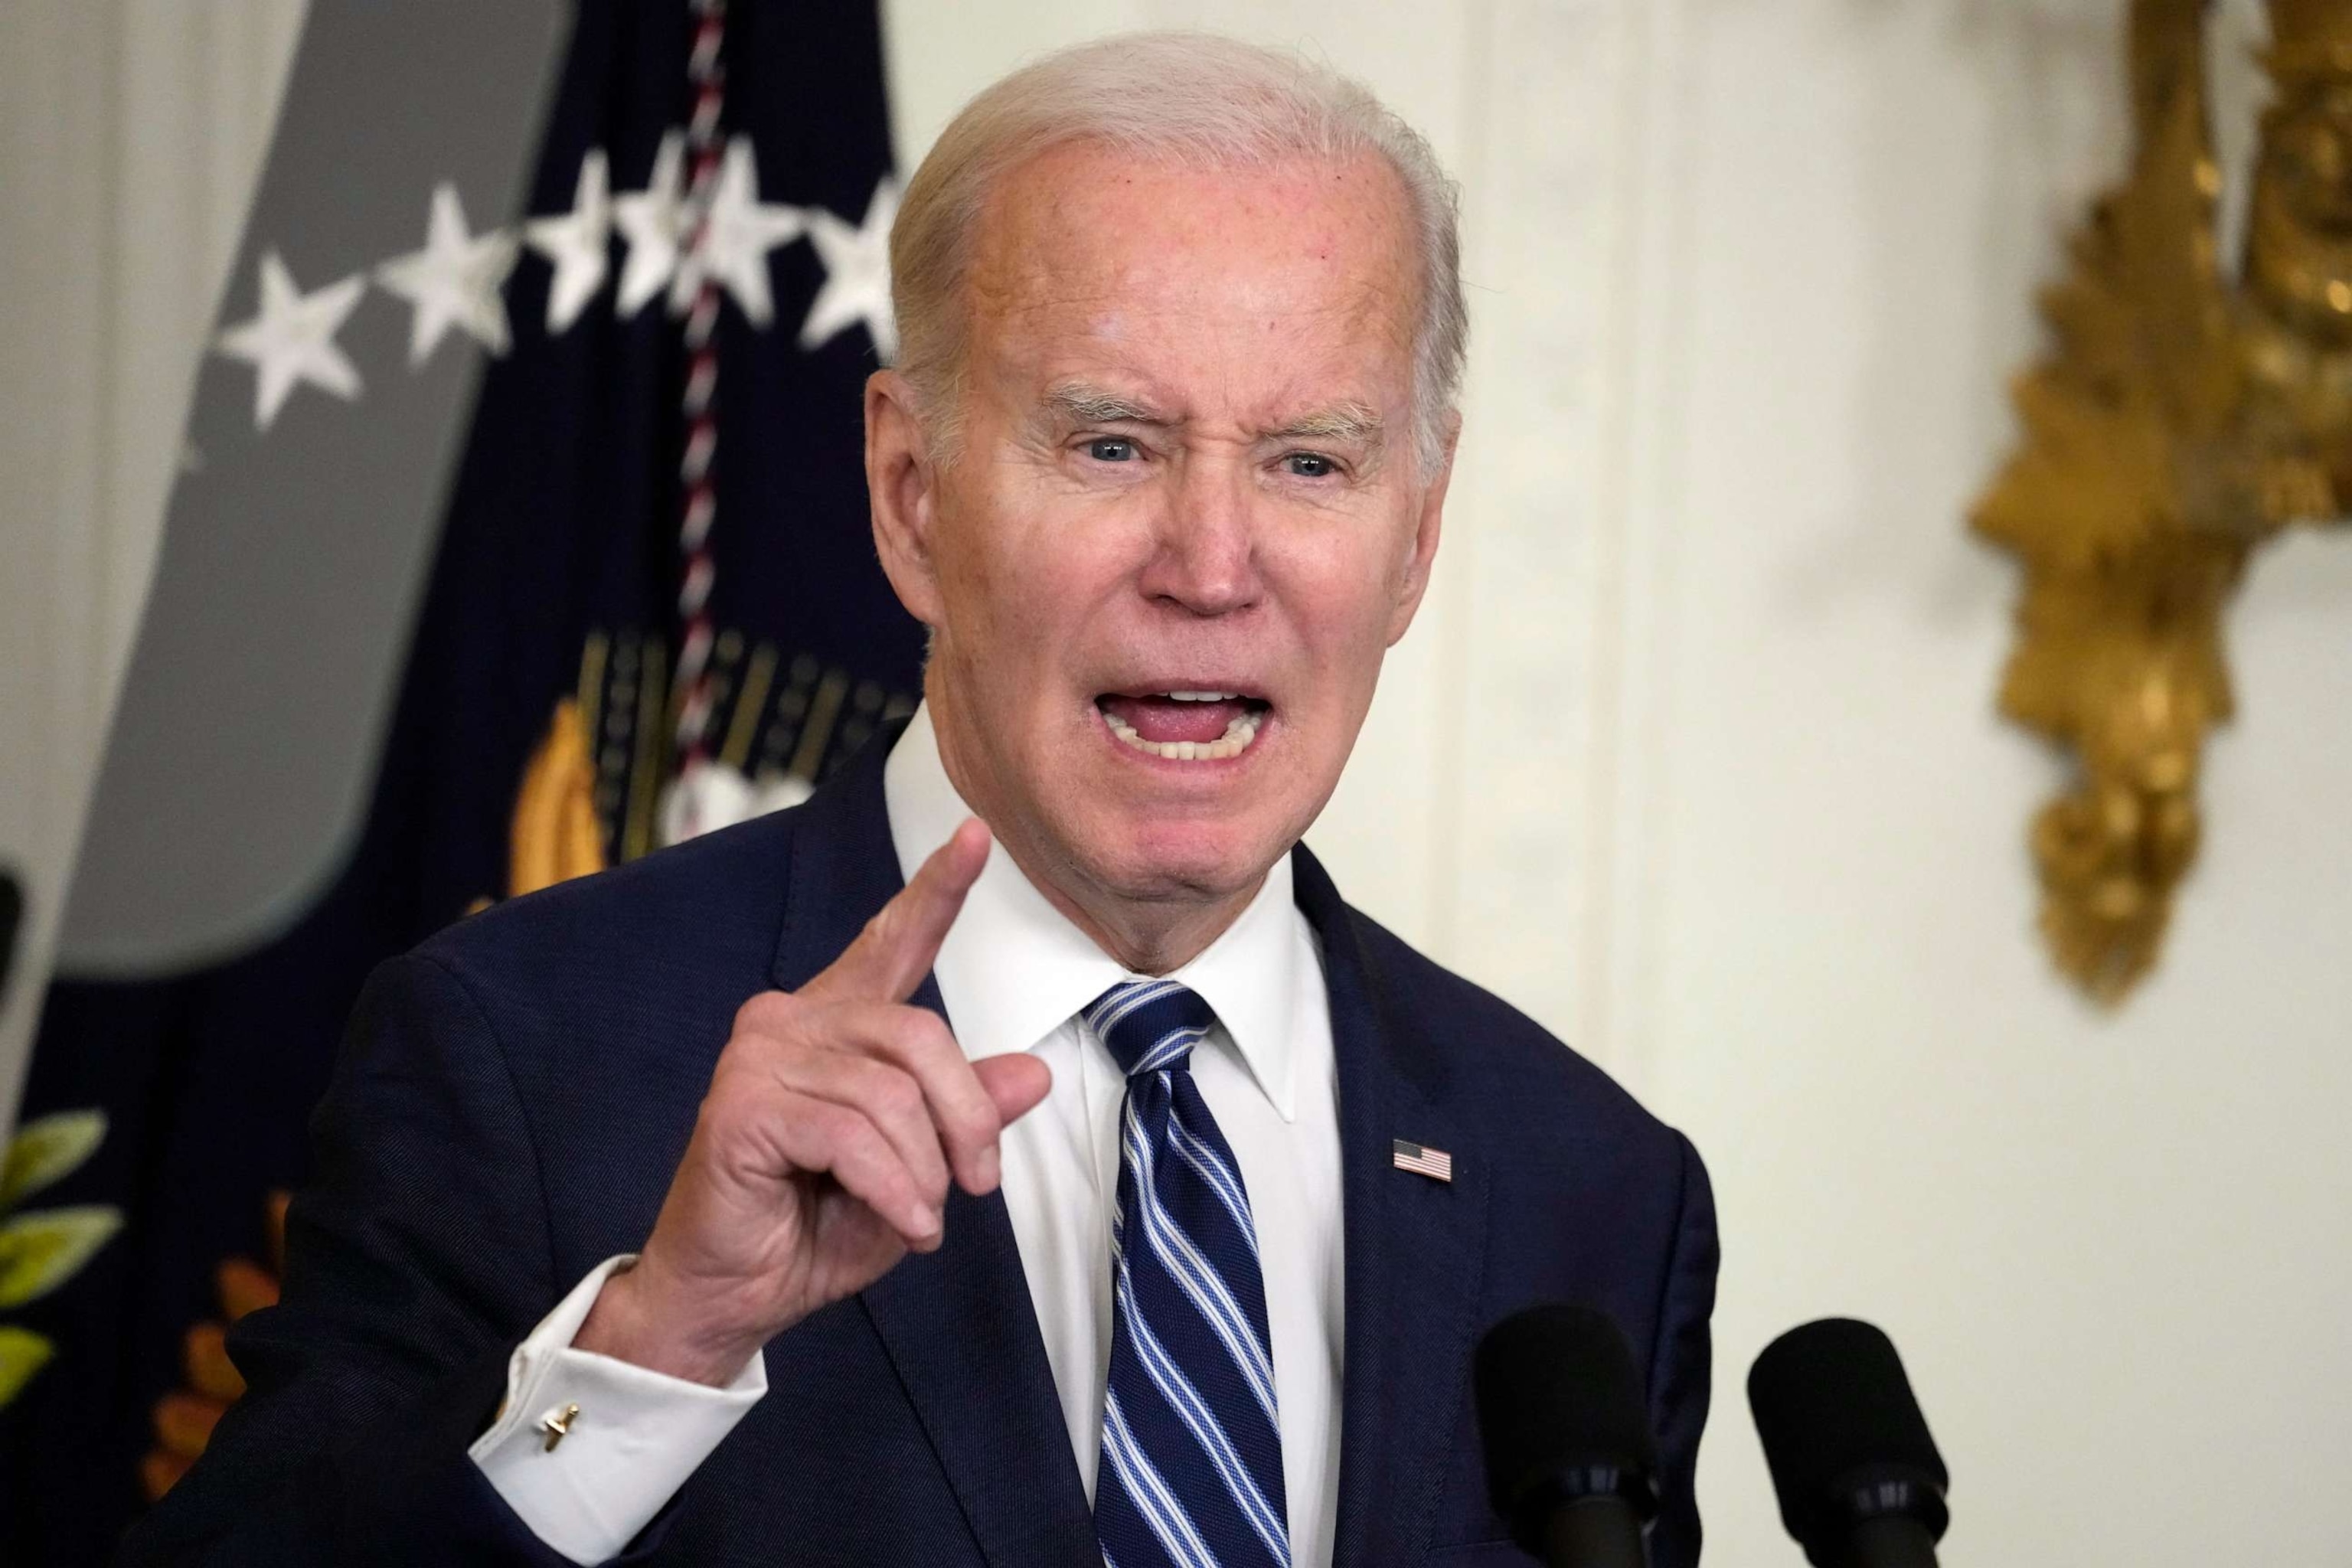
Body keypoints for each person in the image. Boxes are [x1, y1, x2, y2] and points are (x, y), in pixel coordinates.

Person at [122, 31, 1717, 1568]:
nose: (1214, 567)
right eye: (1111, 442)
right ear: (910, 496)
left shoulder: (1591, 1190)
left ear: (1414, 543)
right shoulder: (520, 1057)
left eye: (1310, 462)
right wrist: (655, 1344)